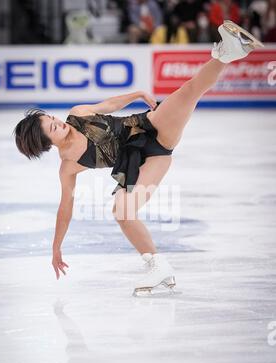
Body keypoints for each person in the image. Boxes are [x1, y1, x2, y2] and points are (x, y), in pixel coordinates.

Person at [14, 20, 264, 296]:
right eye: (52, 128)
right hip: (146, 160)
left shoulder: (78, 115)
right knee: (122, 211)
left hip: (151, 127)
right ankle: (157, 265)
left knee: (188, 91)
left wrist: (137, 94)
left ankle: (228, 53)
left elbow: (108, 106)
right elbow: (65, 209)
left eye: (52, 118)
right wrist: (56, 247)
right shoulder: (68, 167)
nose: (58, 123)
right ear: (47, 143)